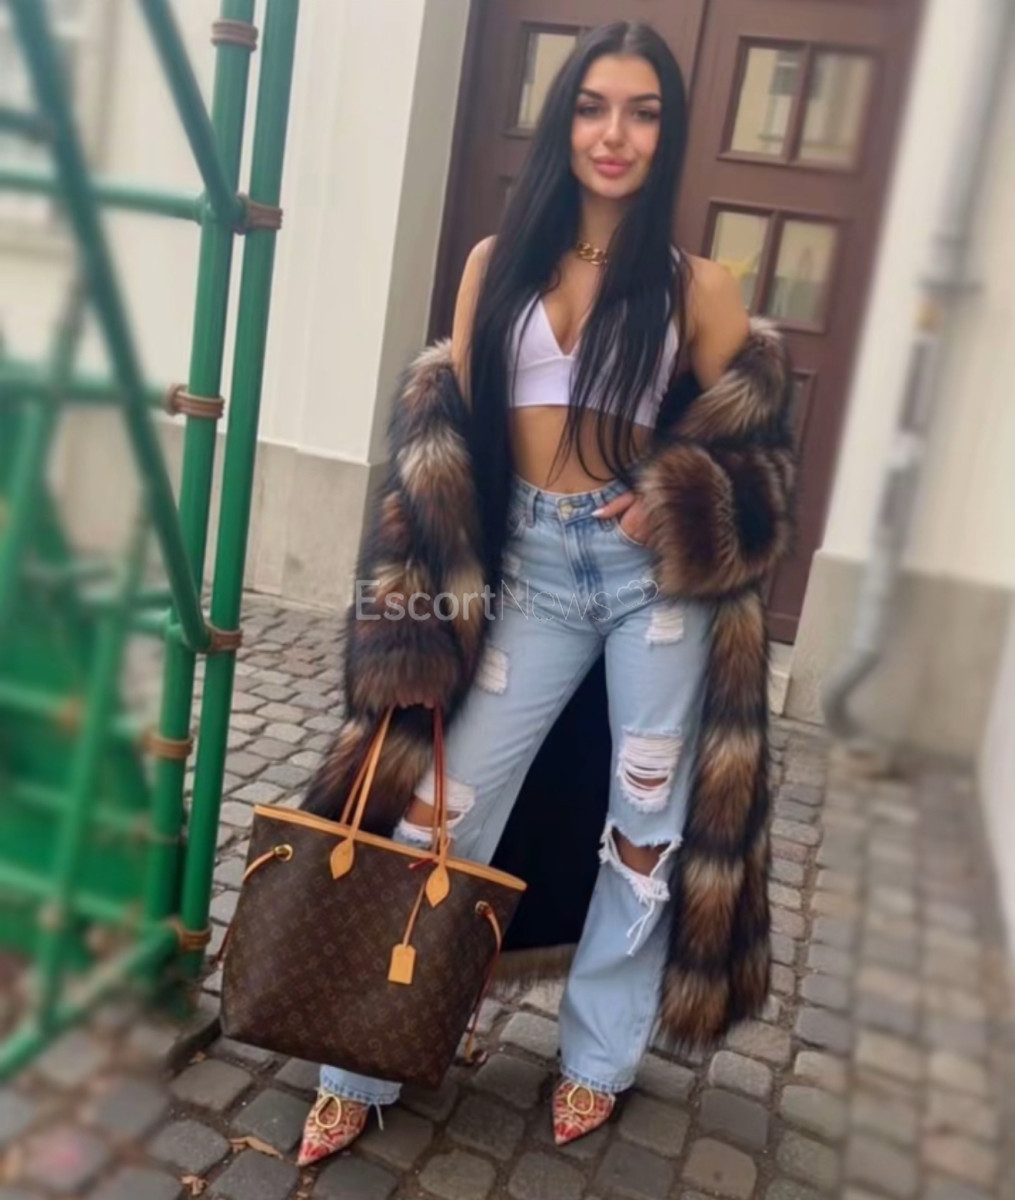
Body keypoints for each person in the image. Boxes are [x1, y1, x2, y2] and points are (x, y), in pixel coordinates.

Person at [296, 20, 795, 1168]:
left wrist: (678, 496)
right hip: (528, 573)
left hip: (649, 592)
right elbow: (452, 452)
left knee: (644, 831)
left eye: (642, 112)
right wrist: (414, 613)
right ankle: (361, 1057)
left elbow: (761, 462)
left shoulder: (697, 287)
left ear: (667, 134)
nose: (614, 134)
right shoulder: (496, 263)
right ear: (563, 118)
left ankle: (598, 1059)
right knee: (443, 811)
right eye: (592, 106)